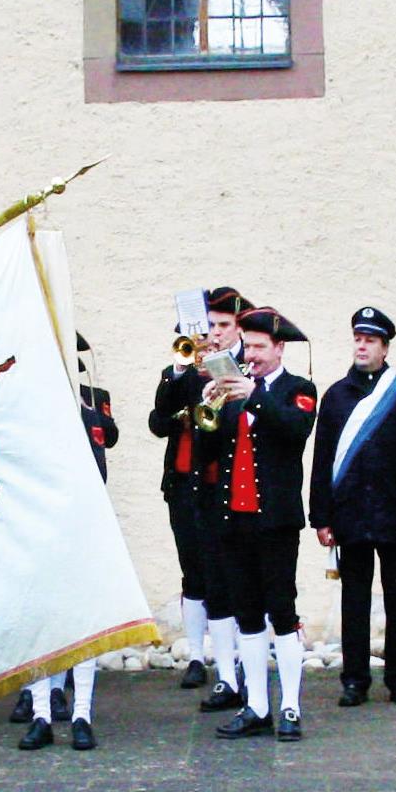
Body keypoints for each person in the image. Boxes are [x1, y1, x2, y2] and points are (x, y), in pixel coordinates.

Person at [309, 307, 396, 708]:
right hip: (351, 513)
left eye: (370, 341)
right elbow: (323, 458)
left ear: (385, 347)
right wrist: (321, 515)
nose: (362, 346)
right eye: (358, 339)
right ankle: (355, 680)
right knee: (355, 599)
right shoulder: (336, 396)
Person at [202, 306, 317, 740]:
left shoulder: (297, 388)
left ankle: (289, 707)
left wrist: (254, 394)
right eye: (246, 347)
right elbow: (209, 448)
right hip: (234, 519)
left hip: (276, 522)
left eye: (259, 347)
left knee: (282, 612)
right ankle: (255, 706)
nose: (250, 355)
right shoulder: (233, 392)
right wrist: (211, 400)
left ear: (278, 348)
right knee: (246, 614)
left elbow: (294, 430)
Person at [19, 334, 122, 751]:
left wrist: (82, 405)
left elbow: (106, 440)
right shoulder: (27, 408)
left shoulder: (89, 406)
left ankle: (82, 713)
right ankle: (41, 713)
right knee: (39, 620)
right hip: (40, 523)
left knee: (84, 619)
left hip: (85, 522)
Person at [147, 296, 236, 691]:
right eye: (198, 333)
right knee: (192, 570)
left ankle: (228, 655)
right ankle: (197, 657)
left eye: (214, 330)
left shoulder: (231, 370)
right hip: (183, 482)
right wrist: (181, 371)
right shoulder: (178, 372)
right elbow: (157, 420)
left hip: (218, 483)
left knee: (224, 570)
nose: (206, 338)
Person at [189, 287, 254, 714]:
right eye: (211, 326)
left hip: (250, 499)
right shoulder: (203, 373)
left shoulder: (255, 374)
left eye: (224, 326)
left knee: (253, 588)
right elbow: (198, 440)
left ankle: (252, 675)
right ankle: (227, 678)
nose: (215, 334)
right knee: (215, 584)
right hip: (212, 494)